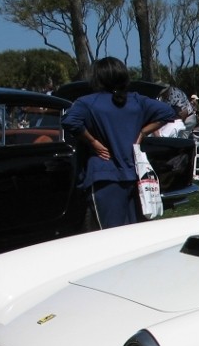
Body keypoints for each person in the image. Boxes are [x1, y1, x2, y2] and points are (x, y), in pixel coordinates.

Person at [61, 56, 175, 228]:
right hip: (134, 175)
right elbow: (168, 112)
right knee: (134, 229)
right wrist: (143, 132)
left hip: (103, 175)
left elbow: (69, 121)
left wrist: (93, 142)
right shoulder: (137, 100)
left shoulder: (88, 102)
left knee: (108, 233)